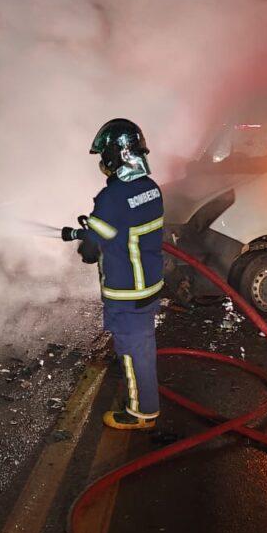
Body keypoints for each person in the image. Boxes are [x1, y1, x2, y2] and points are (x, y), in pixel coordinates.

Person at [62, 119, 164, 431]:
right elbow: (121, 228)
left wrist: (87, 242)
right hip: (149, 286)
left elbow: (92, 249)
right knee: (143, 345)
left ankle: (141, 412)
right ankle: (146, 402)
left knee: (131, 351)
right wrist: (83, 231)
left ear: (114, 157)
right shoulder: (151, 189)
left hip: (125, 291)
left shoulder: (112, 197)